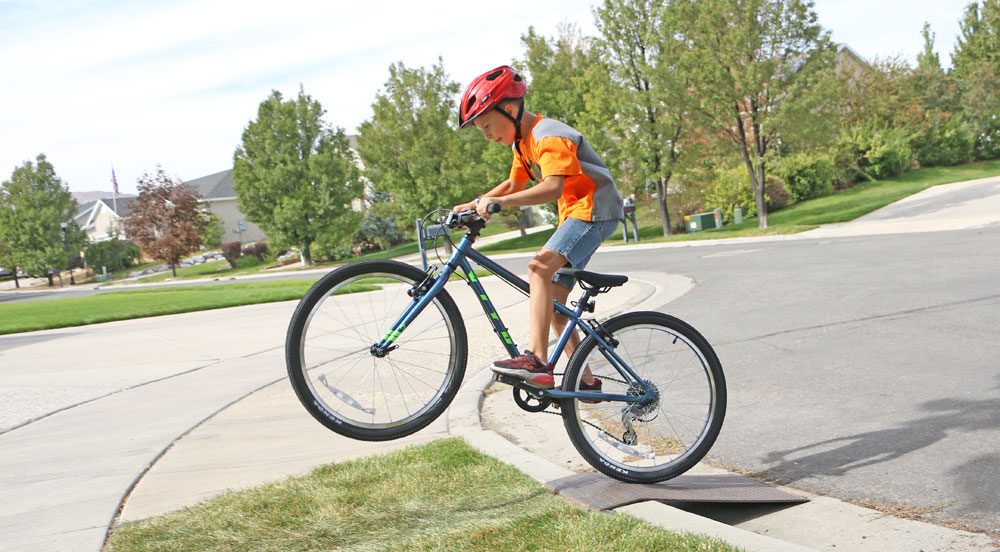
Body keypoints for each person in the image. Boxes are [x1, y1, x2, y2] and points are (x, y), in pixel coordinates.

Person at [452, 65, 624, 390]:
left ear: (511, 109)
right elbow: (514, 184)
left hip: (595, 210)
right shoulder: (523, 142)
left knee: (538, 268)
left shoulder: (549, 135)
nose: (487, 135)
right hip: (578, 213)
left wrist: (498, 205)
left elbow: (552, 188)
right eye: (481, 130)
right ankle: (585, 382)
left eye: (488, 126)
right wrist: (476, 202)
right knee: (556, 307)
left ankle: (537, 360)